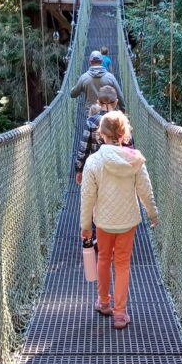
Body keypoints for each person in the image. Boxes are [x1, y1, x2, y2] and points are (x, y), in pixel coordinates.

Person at [80, 110, 158, 330]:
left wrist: (85, 226)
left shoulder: (93, 161)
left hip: (104, 221)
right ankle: (120, 314)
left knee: (103, 258)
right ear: (124, 134)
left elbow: (87, 197)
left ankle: (104, 303)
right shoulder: (135, 159)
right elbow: (145, 190)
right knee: (122, 264)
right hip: (128, 221)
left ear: (101, 134)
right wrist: (152, 213)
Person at [75, 85, 120, 185]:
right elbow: (129, 146)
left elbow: (84, 148)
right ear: (116, 102)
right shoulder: (122, 121)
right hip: (118, 168)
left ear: (98, 103)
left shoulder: (91, 121)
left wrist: (79, 169)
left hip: (97, 168)